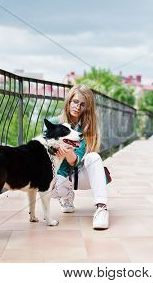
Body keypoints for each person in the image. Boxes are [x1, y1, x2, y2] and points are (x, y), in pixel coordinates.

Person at [47, 84, 109, 230]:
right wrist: (54, 148)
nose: (78, 107)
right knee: (42, 188)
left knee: (94, 157)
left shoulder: (87, 129)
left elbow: (75, 161)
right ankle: (67, 195)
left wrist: (68, 152)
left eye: (82, 105)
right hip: (60, 176)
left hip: (79, 175)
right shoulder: (54, 123)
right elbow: (42, 149)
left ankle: (102, 209)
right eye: (75, 102)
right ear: (69, 101)